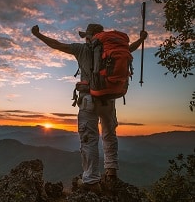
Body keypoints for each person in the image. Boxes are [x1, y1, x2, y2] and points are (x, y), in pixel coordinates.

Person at [31, 23, 148, 193]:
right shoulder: (112, 49)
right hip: (108, 99)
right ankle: (111, 172)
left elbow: (57, 44)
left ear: (88, 36)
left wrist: (38, 35)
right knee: (109, 135)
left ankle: (92, 181)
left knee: (89, 139)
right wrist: (142, 39)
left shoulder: (82, 49)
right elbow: (130, 49)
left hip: (88, 100)